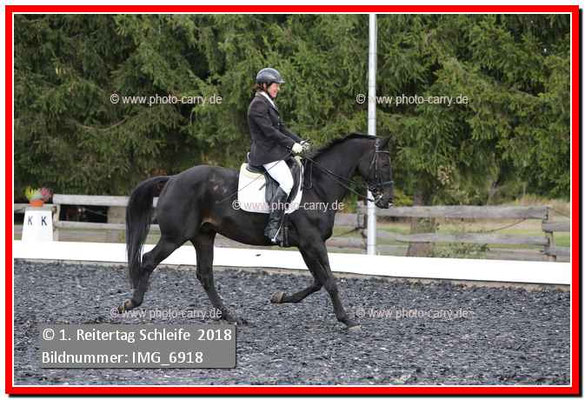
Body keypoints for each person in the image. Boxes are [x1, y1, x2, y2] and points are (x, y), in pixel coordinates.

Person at [247, 67, 309, 244]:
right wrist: (292, 145)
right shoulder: (258, 105)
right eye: (276, 85)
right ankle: (273, 228)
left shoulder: (267, 102)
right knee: (287, 182)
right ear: (264, 85)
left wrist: (299, 141)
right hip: (265, 154)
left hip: (274, 152)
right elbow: (270, 132)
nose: (278, 89)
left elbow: (281, 128)